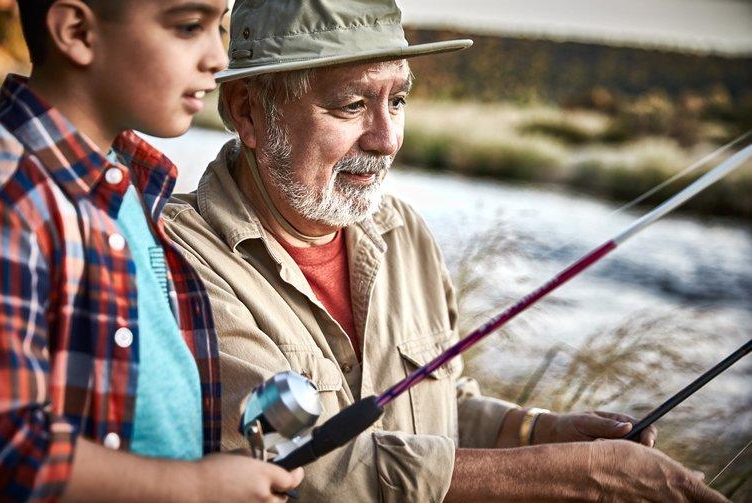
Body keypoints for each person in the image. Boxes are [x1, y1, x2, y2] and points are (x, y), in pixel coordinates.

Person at [163, 0, 726, 501]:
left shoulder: (403, 230)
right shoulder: (175, 260)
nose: (386, 139)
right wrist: (578, 474)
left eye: (399, 100)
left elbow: (441, 408)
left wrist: (537, 433)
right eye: (352, 105)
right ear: (246, 112)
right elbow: (313, 469)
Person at [0, 0, 302, 501]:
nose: (218, 59)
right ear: (76, 32)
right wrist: (193, 487)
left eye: (220, 28)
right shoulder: (14, 197)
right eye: (188, 28)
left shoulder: (127, 182)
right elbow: (11, 450)